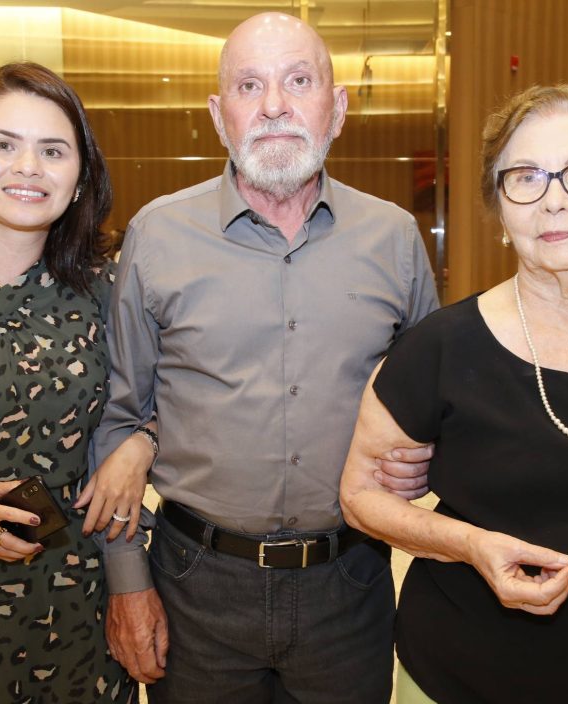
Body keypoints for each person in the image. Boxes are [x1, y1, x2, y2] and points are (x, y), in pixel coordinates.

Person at [88, 11, 439, 703]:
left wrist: (429, 455)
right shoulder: (157, 236)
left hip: (353, 582)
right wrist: (128, 585)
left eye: (298, 81)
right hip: (196, 587)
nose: (274, 106)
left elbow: (430, 408)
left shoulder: (396, 241)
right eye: (249, 85)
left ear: (336, 109)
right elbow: (118, 417)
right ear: (220, 116)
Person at [340, 83, 568, 704]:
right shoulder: (438, 348)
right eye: (526, 178)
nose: (553, 201)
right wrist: (470, 546)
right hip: (459, 678)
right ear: (502, 215)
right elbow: (359, 497)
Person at [0, 62, 155, 703]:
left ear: (80, 180)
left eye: (52, 150)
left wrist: (142, 441)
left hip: (73, 604)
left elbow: (170, 399)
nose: (28, 167)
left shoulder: (109, 290)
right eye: (2, 144)